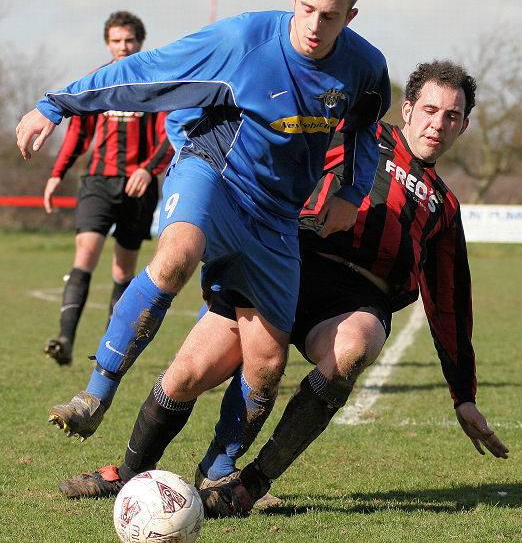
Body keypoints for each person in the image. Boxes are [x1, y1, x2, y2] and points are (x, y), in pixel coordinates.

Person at [55, 61, 509, 512]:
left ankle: (245, 484)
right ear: (407, 110)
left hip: (353, 302)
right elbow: (269, 156)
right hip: (284, 264)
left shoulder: (444, 206)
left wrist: (463, 395)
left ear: (464, 125)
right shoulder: (353, 136)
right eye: (430, 110)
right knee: (187, 374)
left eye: (452, 116)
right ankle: (131, 474)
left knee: (356, 344)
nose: (438, 124)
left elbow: (450, 302)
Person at [17, 0, 390, 445]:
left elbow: (365, 125)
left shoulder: (365, 66)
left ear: (351, 17)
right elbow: (149, 71)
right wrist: (58, 103)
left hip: (277, 214)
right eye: (309, 9)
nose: (316, 26)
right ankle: (94, 394)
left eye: (331, 16)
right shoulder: (242, 42)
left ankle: (217, 476)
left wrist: (352, 192)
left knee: (267, 362)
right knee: (177, 255)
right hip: (212, 172)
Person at [42, 11, 172, 366]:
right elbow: (77, 133)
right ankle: (64, 339)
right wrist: (57, 172)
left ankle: (108, 351)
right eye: (116, 41)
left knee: (122, 272)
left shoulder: (155, 82)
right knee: (85, 255)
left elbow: (169, 135)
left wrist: (148, 169)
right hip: (98, 182)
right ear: (107, 43)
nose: (123, 47)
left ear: (140, 42)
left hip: (138, 187)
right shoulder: (96, 81)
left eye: (129, 40)